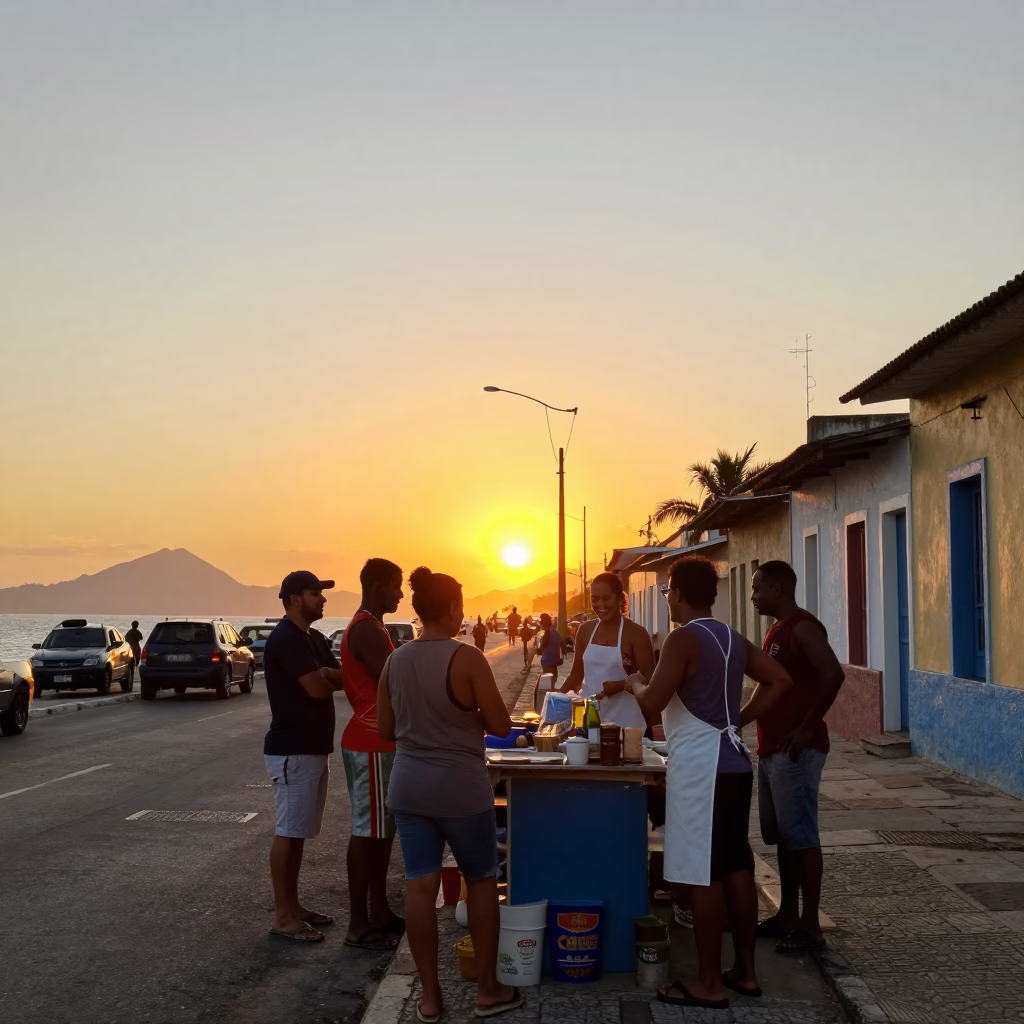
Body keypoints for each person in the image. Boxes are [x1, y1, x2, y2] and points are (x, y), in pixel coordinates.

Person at [629, 557, 793, 1008]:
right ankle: (744, 971)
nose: (666, 599)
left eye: (667, 592)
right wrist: (736, 720)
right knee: (735, 866)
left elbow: (655, 701)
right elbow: (779, 679)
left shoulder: (683, 638)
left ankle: (707, 982)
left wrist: (635, 681)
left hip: (703, 769)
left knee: (703, 875)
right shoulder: (732, 637)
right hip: (735, 762)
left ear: (678, 594)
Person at [378, 567, 524, 1021]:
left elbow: (386, 729)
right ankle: (488, 989)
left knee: (419, 886)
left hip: (409, 788)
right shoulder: (467, 659)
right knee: (480, 881)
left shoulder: (395, 660)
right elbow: (501, 725)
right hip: (461, 789)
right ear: (455, 609)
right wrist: (469, 721)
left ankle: (429, 999)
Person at [750, 560, 845, 956]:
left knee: (802, 837)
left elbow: (833, 673)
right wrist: (737, 721)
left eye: (757, 587)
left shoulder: (803, 627)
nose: (752, 595)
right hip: (772, 748)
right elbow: (768, 687)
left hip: (797, 750)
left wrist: (808, 725)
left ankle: (811, 925)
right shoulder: (774, 630)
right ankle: (788, 914)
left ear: (777, 589)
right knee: (782, 837)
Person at [263, 571, 345, 943]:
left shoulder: (311, 638)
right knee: (288, 830)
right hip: (292, 749)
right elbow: (316, 688)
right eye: (315, 594)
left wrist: (327, 673)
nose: (323, 599)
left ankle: (293, 907)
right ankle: (283, 917)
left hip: (313, 748)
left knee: (298, 834)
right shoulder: (285, 639)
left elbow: (340, 678)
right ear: (295, 599)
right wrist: (325, 676)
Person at [339, 558, 406, 951]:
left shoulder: (373, 626)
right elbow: (393, 683)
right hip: (370, 741)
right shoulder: (366, 629)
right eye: (396, 586)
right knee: (367, 832)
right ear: (379, 585)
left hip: (379, 740)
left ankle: (378, 912)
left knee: (382, 832)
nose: (400, 594)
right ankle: (357, 923)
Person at [558, 572, 653, 732]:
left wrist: (621, 685)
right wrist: (555, 699)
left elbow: (650, 682)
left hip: (626, 725)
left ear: (620, 598)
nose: (600, 605)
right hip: (588, 722)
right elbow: (576, 676)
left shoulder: (636, 634)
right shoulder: (585, 630)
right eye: (595, 599)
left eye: (606, 598)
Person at [536, 612, 562, 686]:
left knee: (548, 686)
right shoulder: (555, 632)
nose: (540, 625)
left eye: (541, 623)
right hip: (554, 662)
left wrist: (538, 651)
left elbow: (544, 646)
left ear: (543, 623)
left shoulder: (547, 633)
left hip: (548, 662)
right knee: (552, 683)